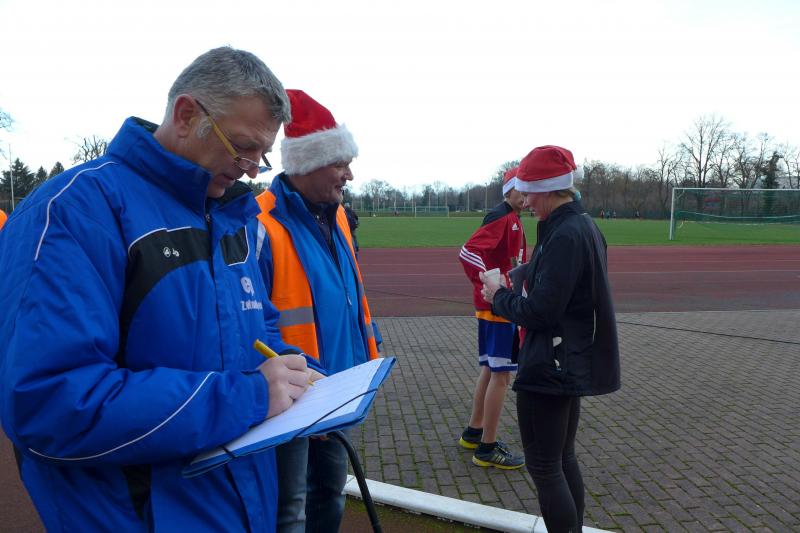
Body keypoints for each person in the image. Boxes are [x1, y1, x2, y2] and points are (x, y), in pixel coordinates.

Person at [0, 47, 314, 532]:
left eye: (261, 153)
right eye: (241, 147)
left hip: (237, 507)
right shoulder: (74, 211)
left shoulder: (230, 216)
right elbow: (49, 404)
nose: (253, 169)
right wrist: (250, 396)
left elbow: (257, 330)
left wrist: (291, 369)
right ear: (186, 115)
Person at [254, 89, 381, 533]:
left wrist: (367, 352)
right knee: (290, 506)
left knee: (330, 492)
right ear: (308, 162)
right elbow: (253, 319)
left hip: (338, 385)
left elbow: (350, 295)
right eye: (340, 163)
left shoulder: (338, 214)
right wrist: (305, 382)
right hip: (293, 393)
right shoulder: (260, 222)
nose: (350, 174)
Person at [480, 145, 620, 533]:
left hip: (550, 365)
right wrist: (524, 274)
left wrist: (498, 295)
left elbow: (541, 311)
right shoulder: (581, 225)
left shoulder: (565, 234)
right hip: (569, 358)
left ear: (548, 189)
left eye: (529, 193)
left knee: (545, 466)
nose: (525, 202)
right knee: (562, 459)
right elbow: (567, 281)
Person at [457, 166, 527, 469]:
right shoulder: (503, 218)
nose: (526, 196)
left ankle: (474, 432)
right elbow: (468, 252)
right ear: (508, 191)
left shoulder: (511, 217)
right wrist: (492, 283)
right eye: (521, 190)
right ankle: (487, 447)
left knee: (490, 369)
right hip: (499, 308)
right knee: (501, 376)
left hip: (496, 305)